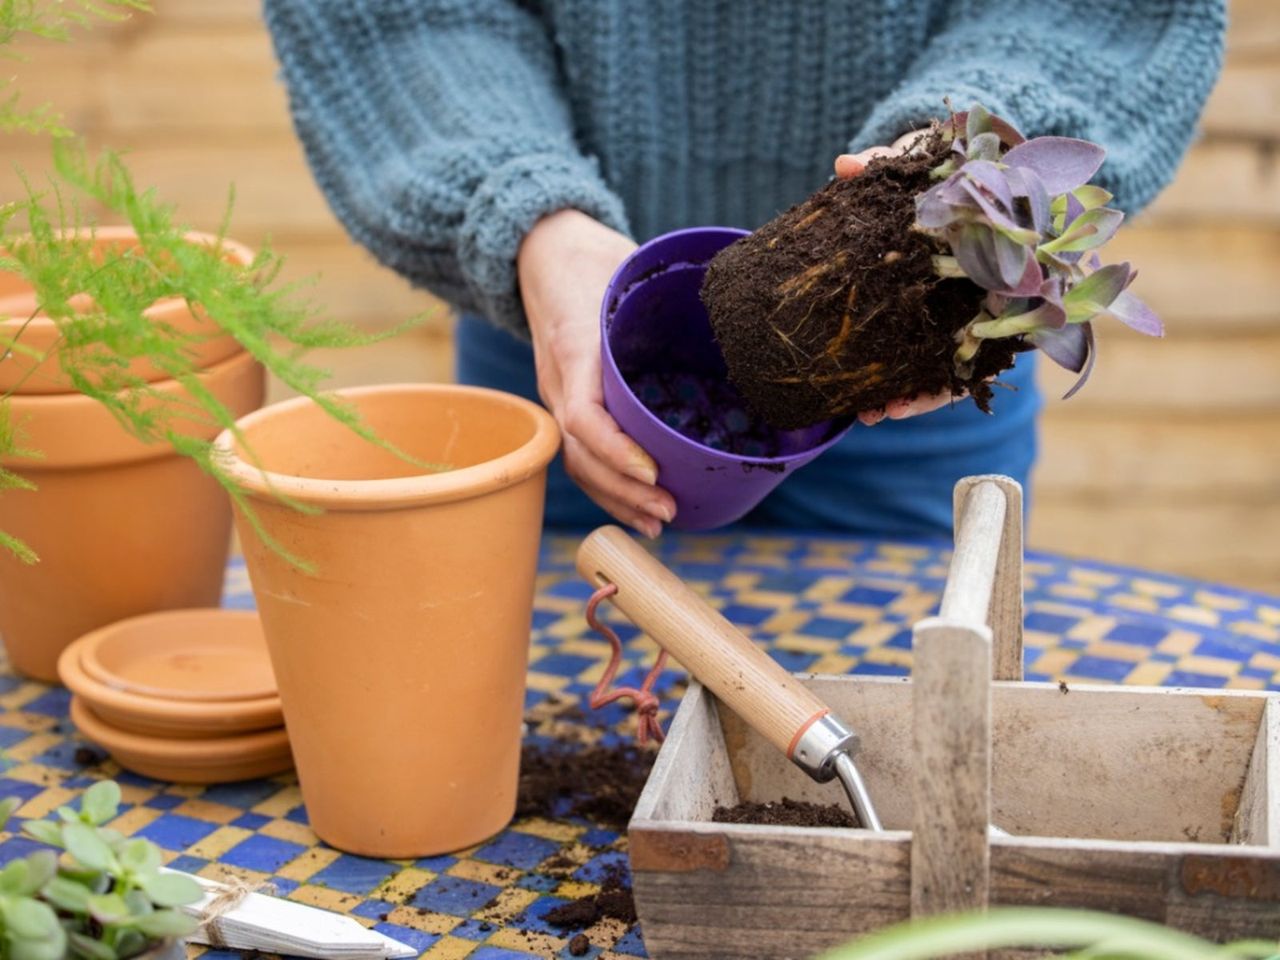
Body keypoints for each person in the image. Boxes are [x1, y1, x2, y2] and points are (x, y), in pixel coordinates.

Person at [262, 0, 1224, 540]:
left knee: (892, 745)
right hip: (564, 337)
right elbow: (400, 21)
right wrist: (530, 211)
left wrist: (962, 177)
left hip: (896, 375)